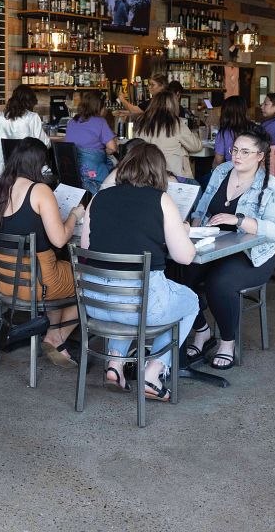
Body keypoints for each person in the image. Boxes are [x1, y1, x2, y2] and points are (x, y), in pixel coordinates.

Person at [79, 143, 199, 400]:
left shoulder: (99, 198)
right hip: (141, 305)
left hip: (96, 305)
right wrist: (181, 232)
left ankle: (115, 363)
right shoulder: (160, 199)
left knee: (127, 303)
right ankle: (153, 372)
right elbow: (185, 257)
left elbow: (86, 248)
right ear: (158, 171)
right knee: (189, 303)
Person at [184, 127, 275, 370]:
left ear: (260, 156)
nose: (236, 155)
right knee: (178, 272)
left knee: (219, 284)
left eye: (244, 151)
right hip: (213, 246)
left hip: (252, 255)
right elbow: (202, 207)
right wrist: (194, 228)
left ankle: (227, 342)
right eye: (234, 150)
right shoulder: (222, 171)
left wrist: (240, 221)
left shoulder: (272, 187)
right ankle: (202, 331)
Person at [0, 137, 81, 367]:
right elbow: (59, 240)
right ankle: (56, 336)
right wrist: (75, 216)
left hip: (6, 282)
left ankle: (53, 334)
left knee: (62, 273)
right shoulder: (40, 190)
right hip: (40, 282)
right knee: (91, 283)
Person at [133, 91, 202, 183]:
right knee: (200, 186)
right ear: (173, 105)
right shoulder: (175, 123)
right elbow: (196, 146)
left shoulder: (141, 122)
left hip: (146, 175)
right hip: (173, 178)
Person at [64, 90, 117, 192]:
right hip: (93, 175)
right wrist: (101, 152)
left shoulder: (72, 122)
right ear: (99, 106)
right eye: (104, 106)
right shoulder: (100, 122)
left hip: (73, 174)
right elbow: (113, 148)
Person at [0, 85, 49, 175]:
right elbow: (43, 144)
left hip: (4, 171)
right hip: (27, 171)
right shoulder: (32, 117)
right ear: (30, 101)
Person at [212, 96, 255, 166]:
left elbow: (218, 161)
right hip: (253, 171)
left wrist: (213, 172)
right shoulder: (256, 129)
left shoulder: (223, 133)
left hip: (232, 173)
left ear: (225, 113)